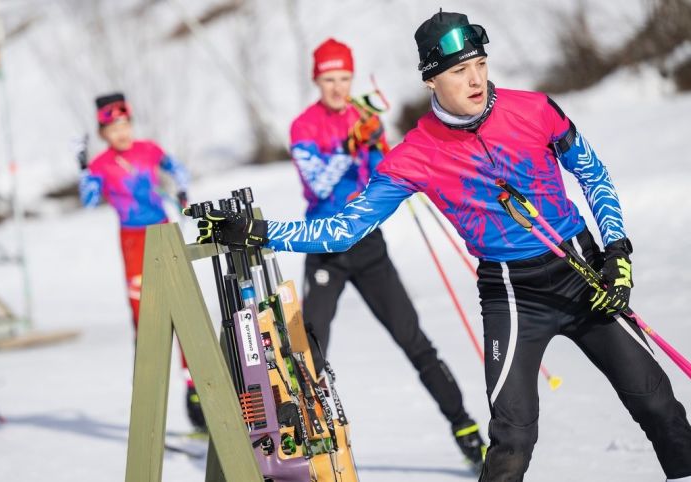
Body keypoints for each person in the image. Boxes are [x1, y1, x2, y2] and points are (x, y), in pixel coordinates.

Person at [196, 11, 691, 482]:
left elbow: (592, 174)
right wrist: (258, 232)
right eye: (459, 70)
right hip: (512, 292)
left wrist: (617, 254)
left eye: (480, 64)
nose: (476, 80)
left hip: (582, 271)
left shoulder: (534, 109)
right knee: (513, 441)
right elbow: (343, 230)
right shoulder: (415, 154)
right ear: (432, 80)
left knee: (657, 403)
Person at [288, 37, 486, 469]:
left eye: (344, 78)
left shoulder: (364, 115)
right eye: (329, 79)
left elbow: (387, 168)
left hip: (367, 245)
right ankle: (306, 442)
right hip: (325, 246)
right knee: (310, 348)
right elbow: (319, 185)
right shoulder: (304, 127)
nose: (338, 87)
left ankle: (465, 427)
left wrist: (377, 141)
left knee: (412, 337)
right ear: (316, 80)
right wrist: (348, 146)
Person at [77, 93, 205, 430]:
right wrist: (82, 169)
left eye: (125, 124)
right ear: (103, 133)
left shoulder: (148, 149)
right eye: (113, 127)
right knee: (145, 318)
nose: (122, 132)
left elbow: (179, 170)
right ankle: (150, 398)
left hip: (163, 233)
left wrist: (182, 191)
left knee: (183, 309)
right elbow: (89, 200)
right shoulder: (102, 164)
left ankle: (194, 392)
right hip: (133, 241)